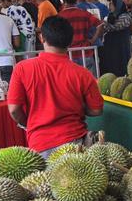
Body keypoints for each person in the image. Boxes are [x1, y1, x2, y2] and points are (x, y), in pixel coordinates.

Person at [7, 16, 104, 157]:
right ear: (70, 41)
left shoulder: (22, 68)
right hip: (75, 143)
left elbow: (14, 110)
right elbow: (96, 110)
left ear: (42, 38)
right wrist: (77, 108)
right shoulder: (83, 74)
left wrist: (29, 123)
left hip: (40, 144)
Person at [59, 0, 104, 71]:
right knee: (90, 77)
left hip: (69, 54)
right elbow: (100, 25)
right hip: (85, 52)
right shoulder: (84, 14)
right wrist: (93, 40)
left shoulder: (60, 17)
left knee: (73, 78)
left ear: (64, 0)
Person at [100, 0, 132, 76]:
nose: (109, 6)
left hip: (121, 48)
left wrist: (104, 24)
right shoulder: (112, 16)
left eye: (111, 4)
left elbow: (114, 27)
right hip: (112, 49)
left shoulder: (125, 17)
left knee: (121, 69)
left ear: (117, 5)